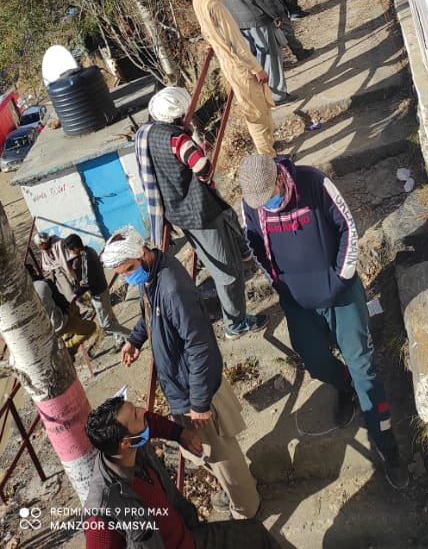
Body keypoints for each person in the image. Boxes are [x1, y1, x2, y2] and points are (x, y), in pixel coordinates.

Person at [239, 154, 410, 491]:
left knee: (363, 368)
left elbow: (347, 227)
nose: (265, 206)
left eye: (268, 197)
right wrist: (279, 284)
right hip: (297, 301)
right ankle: (343, 386)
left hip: (340, 293)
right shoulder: (252, 205)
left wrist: (339, 280)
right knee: (315, 361)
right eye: (258, 203)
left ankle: (388, 447)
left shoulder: (314, 183)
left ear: (278, 179)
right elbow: (255, 244)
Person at [101, 227, 262, 518]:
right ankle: (239, 490)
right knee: (205, 452)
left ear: (142, 254)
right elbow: (149, 313)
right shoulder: (152, 276)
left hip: (195, 391)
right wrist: (135, 339)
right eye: (122, 274)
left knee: (221, 455)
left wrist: (199, 402)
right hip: (183, 387)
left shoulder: (172, 288)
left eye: (128, 270)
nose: (126, 278)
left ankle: (246, 511)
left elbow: (199, 346)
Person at [135, 85, 265, 338]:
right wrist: (198, 146)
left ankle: (245, 253)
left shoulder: (147, 134)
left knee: (229, 223)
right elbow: (203, 168)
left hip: (179, 212)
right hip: (200, 212)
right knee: (226, 273)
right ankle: (235, 323)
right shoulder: (178, 139)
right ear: (178, 115)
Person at [83, 394, 280, 549]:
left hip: (192, 537)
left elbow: (152, 422)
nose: (143, 411)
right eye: (136, 415)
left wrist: (180, 434)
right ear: (125, 443)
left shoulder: (132, 444)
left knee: (255, 533)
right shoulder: (101, 512)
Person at [188, 0, 275, 156]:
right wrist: (256, 68)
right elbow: (236, 42)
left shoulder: (198, 1)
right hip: (239, 65)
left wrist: (211, 42)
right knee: (257, 113)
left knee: (256, 108)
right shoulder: (213, 5)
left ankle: (269, 150)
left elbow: (206, 30)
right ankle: (269, 157)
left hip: (229, 63)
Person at [64, 233, 130, 351]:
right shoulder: (88, 251)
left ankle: (132, 336)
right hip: (100, 289)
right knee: (111, 318)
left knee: (107, 325)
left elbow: (87, 283)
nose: (70, 252)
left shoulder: (87, 259)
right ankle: (120, 340)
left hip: (99, 292)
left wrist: (75, 295)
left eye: (70, 250)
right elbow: (88, 278)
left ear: (76, 248)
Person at [25, 262, 97, 359]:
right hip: (59, 323)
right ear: (34, 272)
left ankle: (68, 343)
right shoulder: (44, 283)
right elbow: (61, 302)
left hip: (41, 332)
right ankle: (68, 345)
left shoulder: (22, 295)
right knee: (92, 327)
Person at [34, 230, 78, 301]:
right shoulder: (44, 250)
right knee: (68, 295)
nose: (39, 247)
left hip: (68, 269)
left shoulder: (60, 243)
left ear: (44, 243)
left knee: (74, 293)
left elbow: (70, 256)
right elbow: (46, 265)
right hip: (58, 274)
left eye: (40, 245)